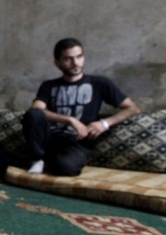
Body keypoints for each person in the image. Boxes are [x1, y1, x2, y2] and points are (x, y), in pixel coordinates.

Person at [22, 38, 140, 176]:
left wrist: (104, 123)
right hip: (50, 138)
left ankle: (51, 161)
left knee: (66, 168)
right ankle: (37, 159)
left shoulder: (99, 83)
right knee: (33, 114)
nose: (75, 63)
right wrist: (71, 120)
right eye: (68, 59)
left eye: (79, 57)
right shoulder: (48, 86)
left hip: (78, 142)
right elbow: (36, 110)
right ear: (57, 63)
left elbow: (133, 108)